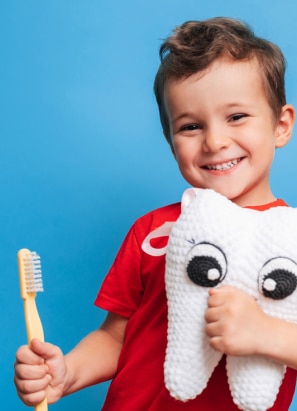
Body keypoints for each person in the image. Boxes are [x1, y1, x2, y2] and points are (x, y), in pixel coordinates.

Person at [14, 17, 297, 410]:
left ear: (281, 125)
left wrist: (268, 334)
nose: (215, 141)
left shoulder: (293, 242)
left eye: (236, 117)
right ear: (169, 140)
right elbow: (115, 338)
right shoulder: (154, 231)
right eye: (191, 126)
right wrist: (67, 372)